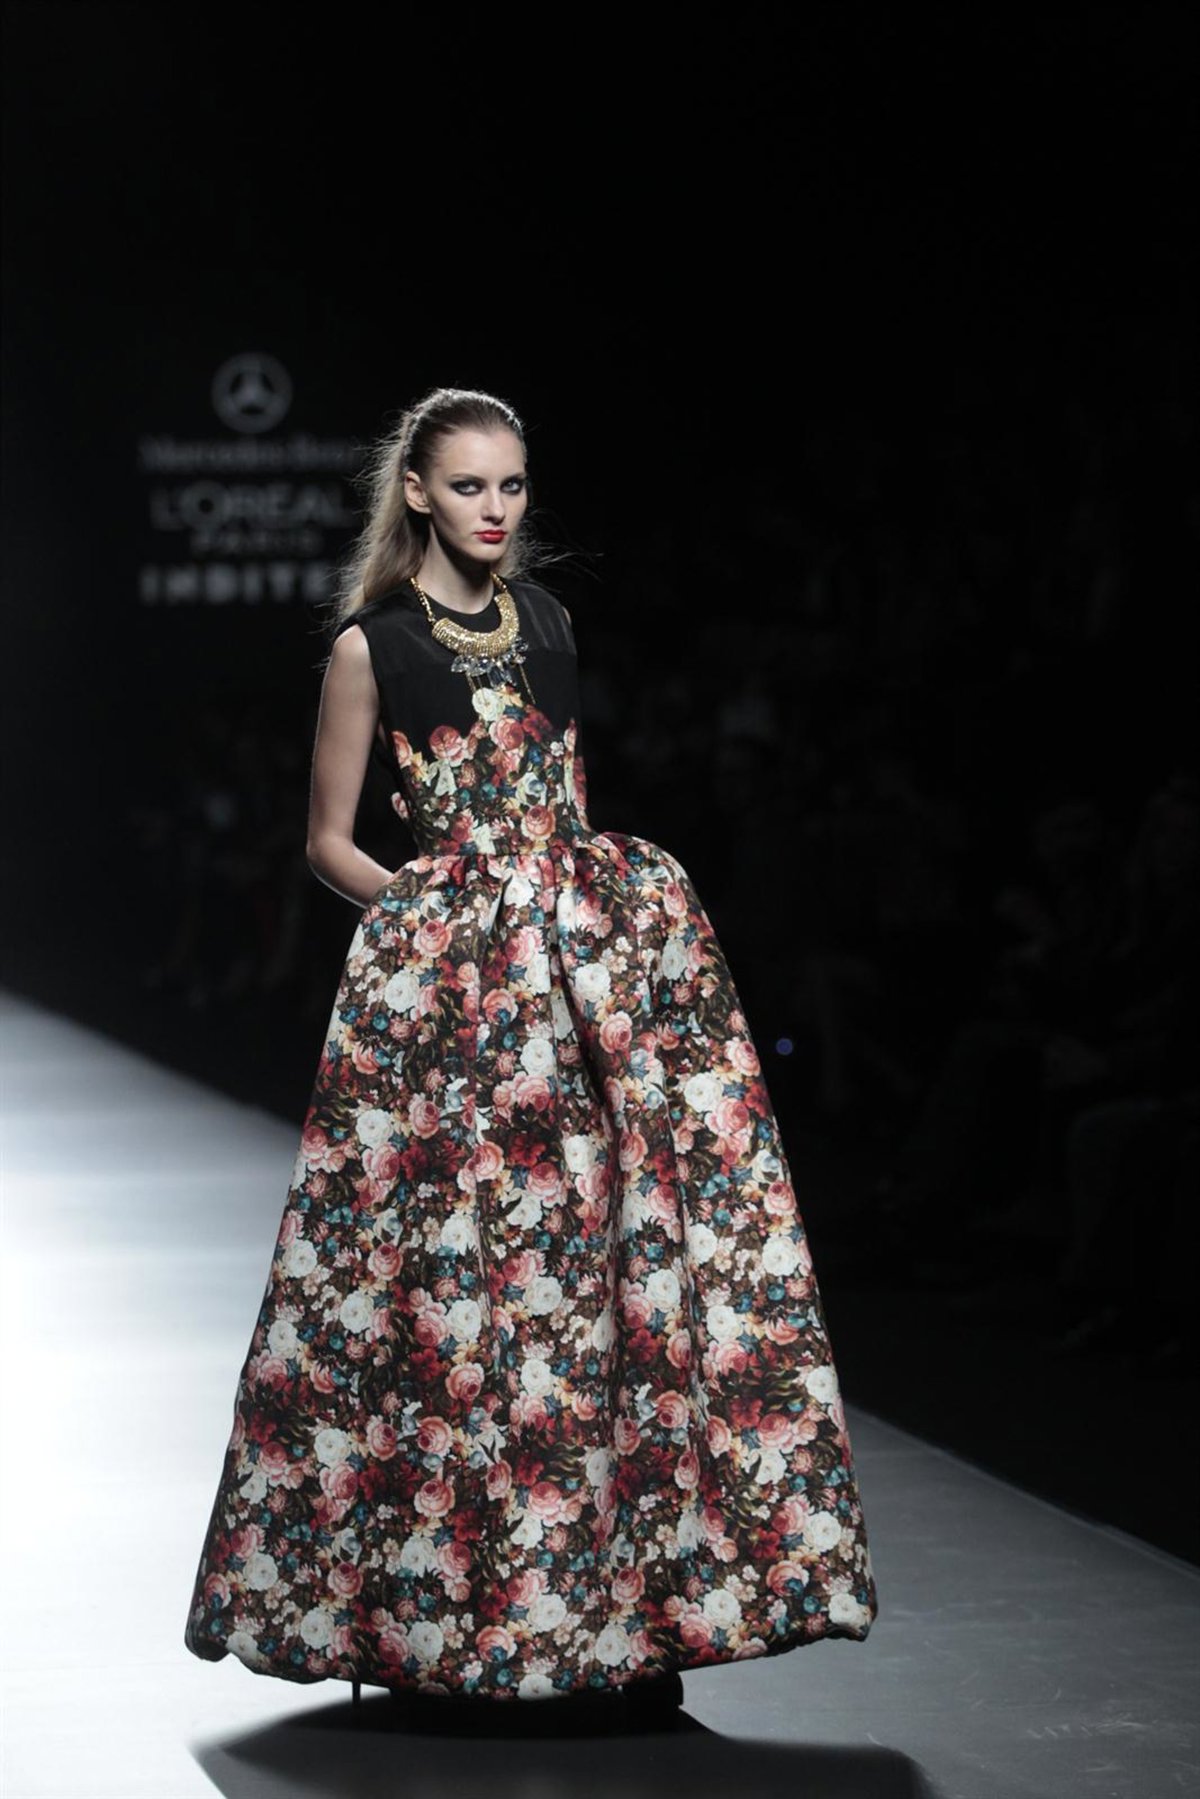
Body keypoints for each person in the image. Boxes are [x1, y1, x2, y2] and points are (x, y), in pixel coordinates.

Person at [183, 386, 879, 1720]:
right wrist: (441, 914)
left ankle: (609, 1617)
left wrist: (572, 925)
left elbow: (563, 802)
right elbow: (328, 843)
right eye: (470, 486)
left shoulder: (552, 623)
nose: (496, 508)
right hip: (457, 997)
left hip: (577, 986)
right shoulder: (371, 648)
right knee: (456, 1290)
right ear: (418, 494)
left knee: (598, 1282)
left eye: (511, 485)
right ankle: (443, 1621)